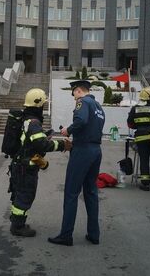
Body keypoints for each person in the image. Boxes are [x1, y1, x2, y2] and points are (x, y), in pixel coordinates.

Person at [8, 88, 71, 237]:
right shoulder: (34, 122)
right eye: (43, 104)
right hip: (26, 168)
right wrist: (63, 145)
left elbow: (30, 141)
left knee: (19, 194)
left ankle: (17, 221)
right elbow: (42, 145)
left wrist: (44, 135)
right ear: (38, 105)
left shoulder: (26, 119)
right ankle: (17, 227)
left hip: (19, 164)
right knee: (25, 195)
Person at [49, 80, 105, 246]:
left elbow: (81, 121)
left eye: (74, 93)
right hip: (96, 150)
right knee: (91, 192)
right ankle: (94, 234)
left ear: (79, 91)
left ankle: (66, 235)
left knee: (71, 192)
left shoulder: (83, 102)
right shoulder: (98, 106)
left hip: (82, 151)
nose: (74, 98)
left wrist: (68, 130)